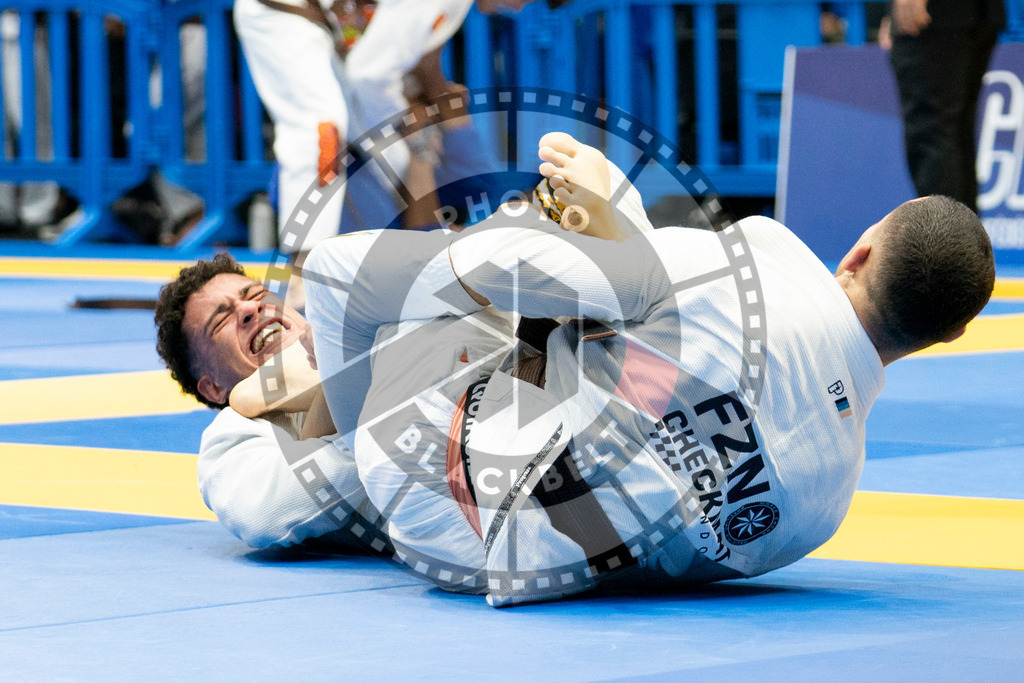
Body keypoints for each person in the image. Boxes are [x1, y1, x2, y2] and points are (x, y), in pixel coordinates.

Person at [299, 132, 995, 606]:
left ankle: (334, 473)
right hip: (534, 570)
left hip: (430, 479)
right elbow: (664, 547)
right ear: (950, 334)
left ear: (860, 254)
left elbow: (521, 278)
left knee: (336, 275)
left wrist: (564, 215)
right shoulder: (826, 508)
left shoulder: (759, 267)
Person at [153, 146, 642, 554]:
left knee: (602, 191)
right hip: (478, 474)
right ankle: (537, 243)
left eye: (255, 296)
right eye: (222, 320)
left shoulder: (371, 308)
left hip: (563, 369)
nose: (248, 311)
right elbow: (270, 512)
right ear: (212, 385)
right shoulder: (233, 435)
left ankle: (552, 250)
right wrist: (345, 387)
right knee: (340, 276)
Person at [233, 0, 548, 309]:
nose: (522, 8)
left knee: (331, 128)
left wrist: (418, 142)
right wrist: (418, 129)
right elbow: (371, 75)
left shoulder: (450, 227)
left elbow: (419, 64)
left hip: (321, 34)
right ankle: (301, 266)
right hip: (286, 15)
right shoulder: (472, 182)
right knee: (321, 124)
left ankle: (304, 266)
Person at [885, 0, 1006, 212]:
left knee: (934, 134)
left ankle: (944, 243)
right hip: (978, 13)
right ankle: (965, 243)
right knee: (956, 137)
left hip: (935, 17)